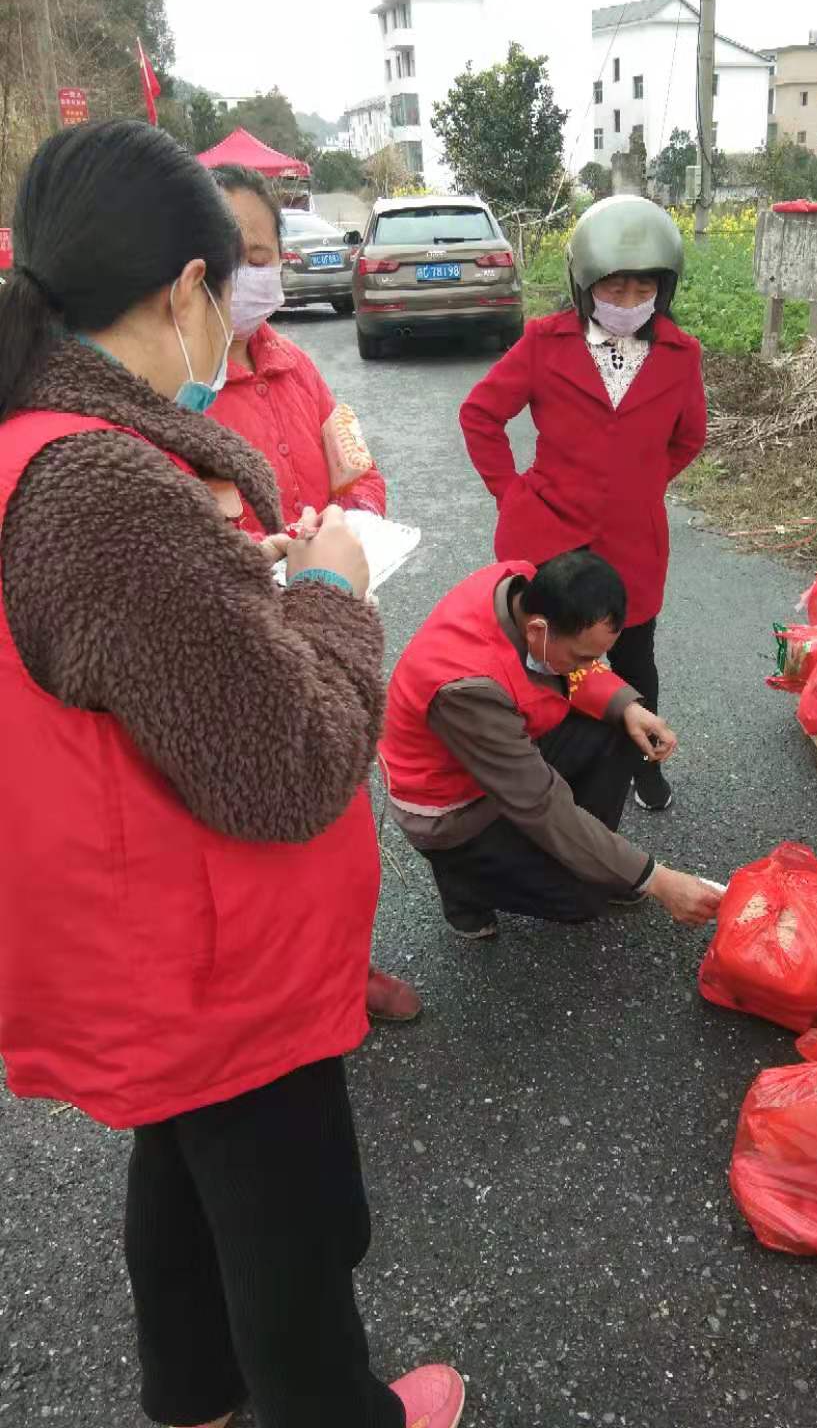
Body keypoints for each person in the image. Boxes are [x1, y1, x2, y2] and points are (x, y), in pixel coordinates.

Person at [0, 122, 463, 1428]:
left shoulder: (35, 448)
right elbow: (293, 763)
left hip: (131, 937)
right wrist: (326, 587)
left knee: (183, 1189)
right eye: (228, 277)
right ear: (183, 292)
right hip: (214, 956)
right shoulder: (103, 486)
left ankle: (192, 1404)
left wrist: (237, 586)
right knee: (293, 1235)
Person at [207, 162, 418, 1025]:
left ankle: (346, 970)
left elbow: (360, 471)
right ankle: (277, 1004)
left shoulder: (299, 369)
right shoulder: (165, 397)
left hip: (332, 631)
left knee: (343, 826)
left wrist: (352, 526)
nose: (241, 273)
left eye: (257, 252)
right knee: (250, 845)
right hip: (235, 654)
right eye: (223, 256)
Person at [459, 195, 707, 814]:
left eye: (641, 288)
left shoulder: (681, 353)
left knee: (633, 658)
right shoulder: (545, 342)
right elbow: (481, 414)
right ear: (585, 285)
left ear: (663, 290)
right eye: (613, 288)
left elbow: (689, 436)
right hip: (548, 539)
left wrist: (642, 482)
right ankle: (547, 781)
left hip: (634, 541)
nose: (626, 302)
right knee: (548, 664)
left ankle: (644, 767)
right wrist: (510, 492)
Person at [379, 550, 725, 936]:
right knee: (582, 898)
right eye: (582, 657)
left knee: (623, 733)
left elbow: (573, 671)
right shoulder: (467, 688)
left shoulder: (521, 588)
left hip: (501, 752)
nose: (589, 666)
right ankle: (462, 887)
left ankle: (586, 858)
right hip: (454, 808)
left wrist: (626, 706)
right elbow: (540, 803)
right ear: (538, 630)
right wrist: (656, 880)